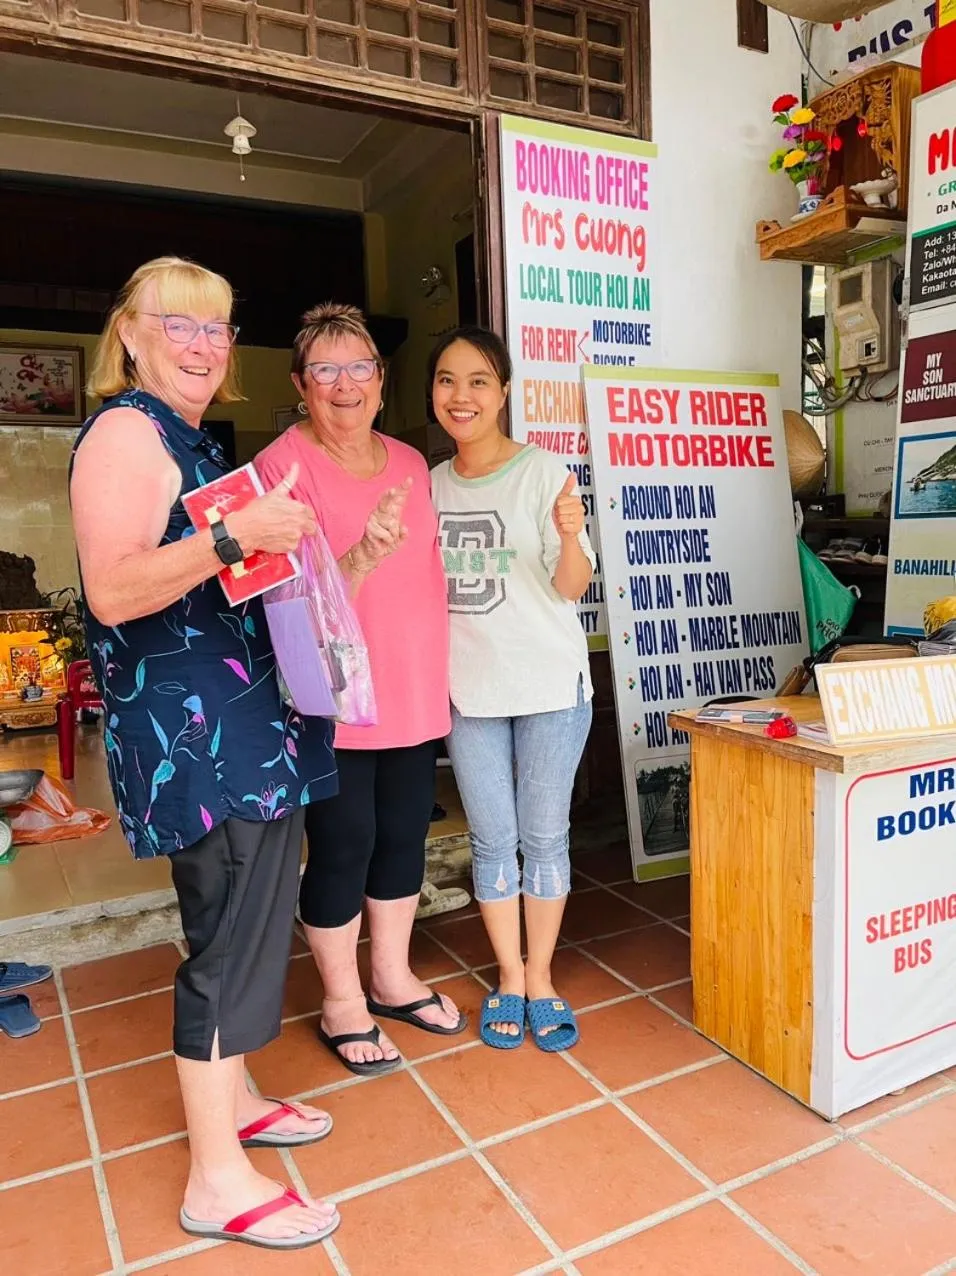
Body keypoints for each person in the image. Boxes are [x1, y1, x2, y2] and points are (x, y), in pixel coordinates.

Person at [70, 257, 341, 1251]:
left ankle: (233, 1096)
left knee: (244, 925)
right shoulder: (125, 432)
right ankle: (216, 1178)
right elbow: (112, 589)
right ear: (129, 333)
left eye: (215, 326)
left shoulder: (184, 436)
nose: (198, 341)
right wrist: (235, 537)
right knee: (230, 942)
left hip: (242, 731)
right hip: (199, 743)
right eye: (174, 323)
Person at [256, 303, 465, 1075]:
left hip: (413, 688)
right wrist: (363, 556)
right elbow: (278, 600)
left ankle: (392, 976)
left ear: (382, 382)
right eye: (326, 370)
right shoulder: (283, 467)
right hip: (333, 695)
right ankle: (340, 1000)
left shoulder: (412, 463)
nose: (345, 386)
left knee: (405, 833)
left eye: (360, 369)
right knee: (344, 843)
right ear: (300, 386)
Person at [428, 326, 595, 1052]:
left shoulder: (542, 472)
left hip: (551, 686)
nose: (460, 396)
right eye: (446, 380)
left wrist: (571, 534)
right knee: (492, 840)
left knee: (544, 836)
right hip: (469, 692)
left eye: (477, 382)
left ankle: (544, 977)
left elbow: (571, 586)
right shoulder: (427, 485)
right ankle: (509, 977)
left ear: (502, 393)